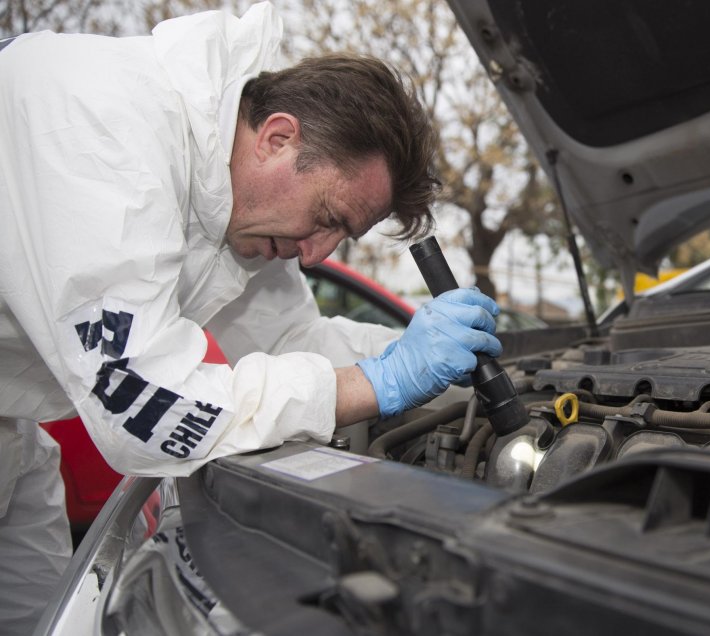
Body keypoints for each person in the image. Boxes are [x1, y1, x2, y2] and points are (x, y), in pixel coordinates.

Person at [0, 3, 501, 632]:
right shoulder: (103, 126)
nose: (317, 253)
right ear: (279, 137)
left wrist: (432, 354)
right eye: (328, 218)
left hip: (12, 433)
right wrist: (380, 381)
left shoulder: (232, 192)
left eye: (342, 237)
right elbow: (144, 407)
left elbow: (295, 340)